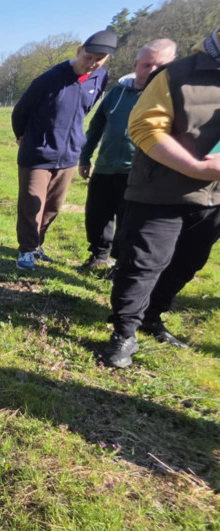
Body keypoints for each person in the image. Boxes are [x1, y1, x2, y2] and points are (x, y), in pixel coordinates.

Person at [103, 28, 220, 368]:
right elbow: (144, 127)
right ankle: (124, 332)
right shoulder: (177, 74)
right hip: (159, 191)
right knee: (142, 263)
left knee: (188, 262)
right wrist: (197, 168)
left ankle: (152, 317)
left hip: (213, 201)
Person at [12, 29, 116, 271]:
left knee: (53, 206)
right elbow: (20, 112)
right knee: (31, 205)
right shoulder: (48, 80)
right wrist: (22, 137)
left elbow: (85, 110)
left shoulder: (100, 78)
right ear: (79, 51)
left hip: (68, 155)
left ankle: (37, 246)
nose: (91, 64)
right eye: (88, 57)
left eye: (98, 60)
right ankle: (26, 250)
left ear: (105, 60)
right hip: (37, 154)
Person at [78, 39, 177, 272]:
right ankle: (98, 256)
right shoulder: (117, 92)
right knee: (97, 216)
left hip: (139, 172)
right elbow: (97, 124)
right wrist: (85, 157)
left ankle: (122, 265)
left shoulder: (170, 98)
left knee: (129, 222)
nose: (152, 71)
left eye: (160, 66)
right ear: (135, 64)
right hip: (104, 166)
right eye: (147, 65)